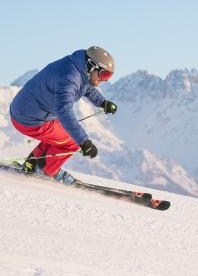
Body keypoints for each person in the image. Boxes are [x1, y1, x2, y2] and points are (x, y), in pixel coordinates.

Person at [9, 46, 118, 185]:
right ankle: (44, 171)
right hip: (30, 119)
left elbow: (86, 87)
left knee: (60, 133)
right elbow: (64, 110)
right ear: (92, 66)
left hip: (27, 111)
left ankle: (33, 164)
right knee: (72, 141)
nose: (105, 80)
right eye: (104, 75)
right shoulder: (69, 78)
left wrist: (103, 102)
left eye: (109, 76)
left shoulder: (78, 67)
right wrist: (84, 141)